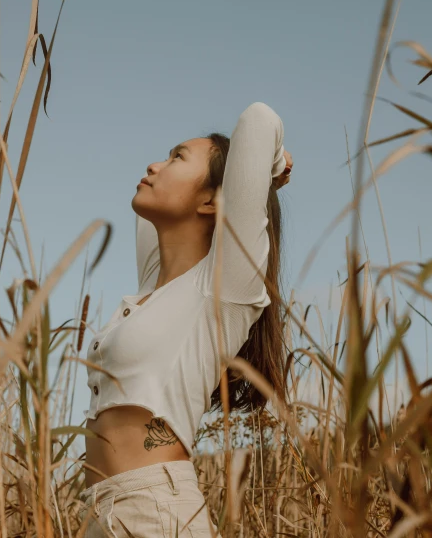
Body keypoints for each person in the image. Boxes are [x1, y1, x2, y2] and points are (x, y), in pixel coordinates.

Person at [79, 101, 292, 536]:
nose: (154, 164)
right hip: (101, 511)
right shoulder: (155, 284)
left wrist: (269, 168)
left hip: (156, 512)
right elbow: (150, 221)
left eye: (176, 157)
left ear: (214, 199)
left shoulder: (224, 289)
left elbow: (258, 121)